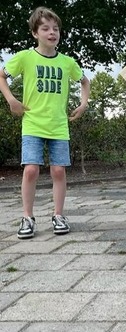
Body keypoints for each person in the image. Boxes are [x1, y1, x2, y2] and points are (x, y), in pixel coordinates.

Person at [0, 6, 90, 239]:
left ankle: (58, 215)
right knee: (31, 170)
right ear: (35, 33)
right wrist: (12, 100)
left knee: (58, 171)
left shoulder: (67, 62)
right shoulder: (25, 58)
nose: (52, 32)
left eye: (56, 29)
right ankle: (27, 217)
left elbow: (84, 81)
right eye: (45, 28)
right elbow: (1, 76)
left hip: (59, 125)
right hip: (32, 124)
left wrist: (83, 104)